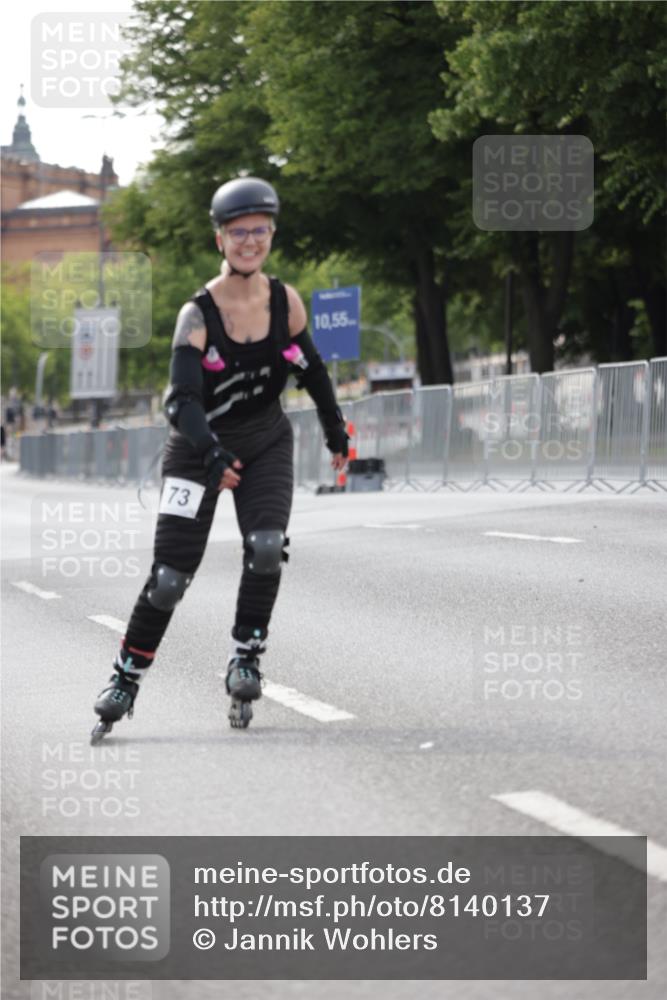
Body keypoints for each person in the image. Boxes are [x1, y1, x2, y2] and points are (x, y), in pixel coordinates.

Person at [91, 177, 348, 741]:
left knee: (266, 548)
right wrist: (211, 452)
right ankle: (125, 679)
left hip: (265, 440)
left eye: (260, 231)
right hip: (196, 449)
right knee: (169, 578)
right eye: (238, 232)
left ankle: (245, 657)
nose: (250, 241)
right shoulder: (197, 315)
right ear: (221, 240)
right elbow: (180, 401)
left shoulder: (285, 302)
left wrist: (337, 435)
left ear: (271, 235)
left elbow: (313, 372)